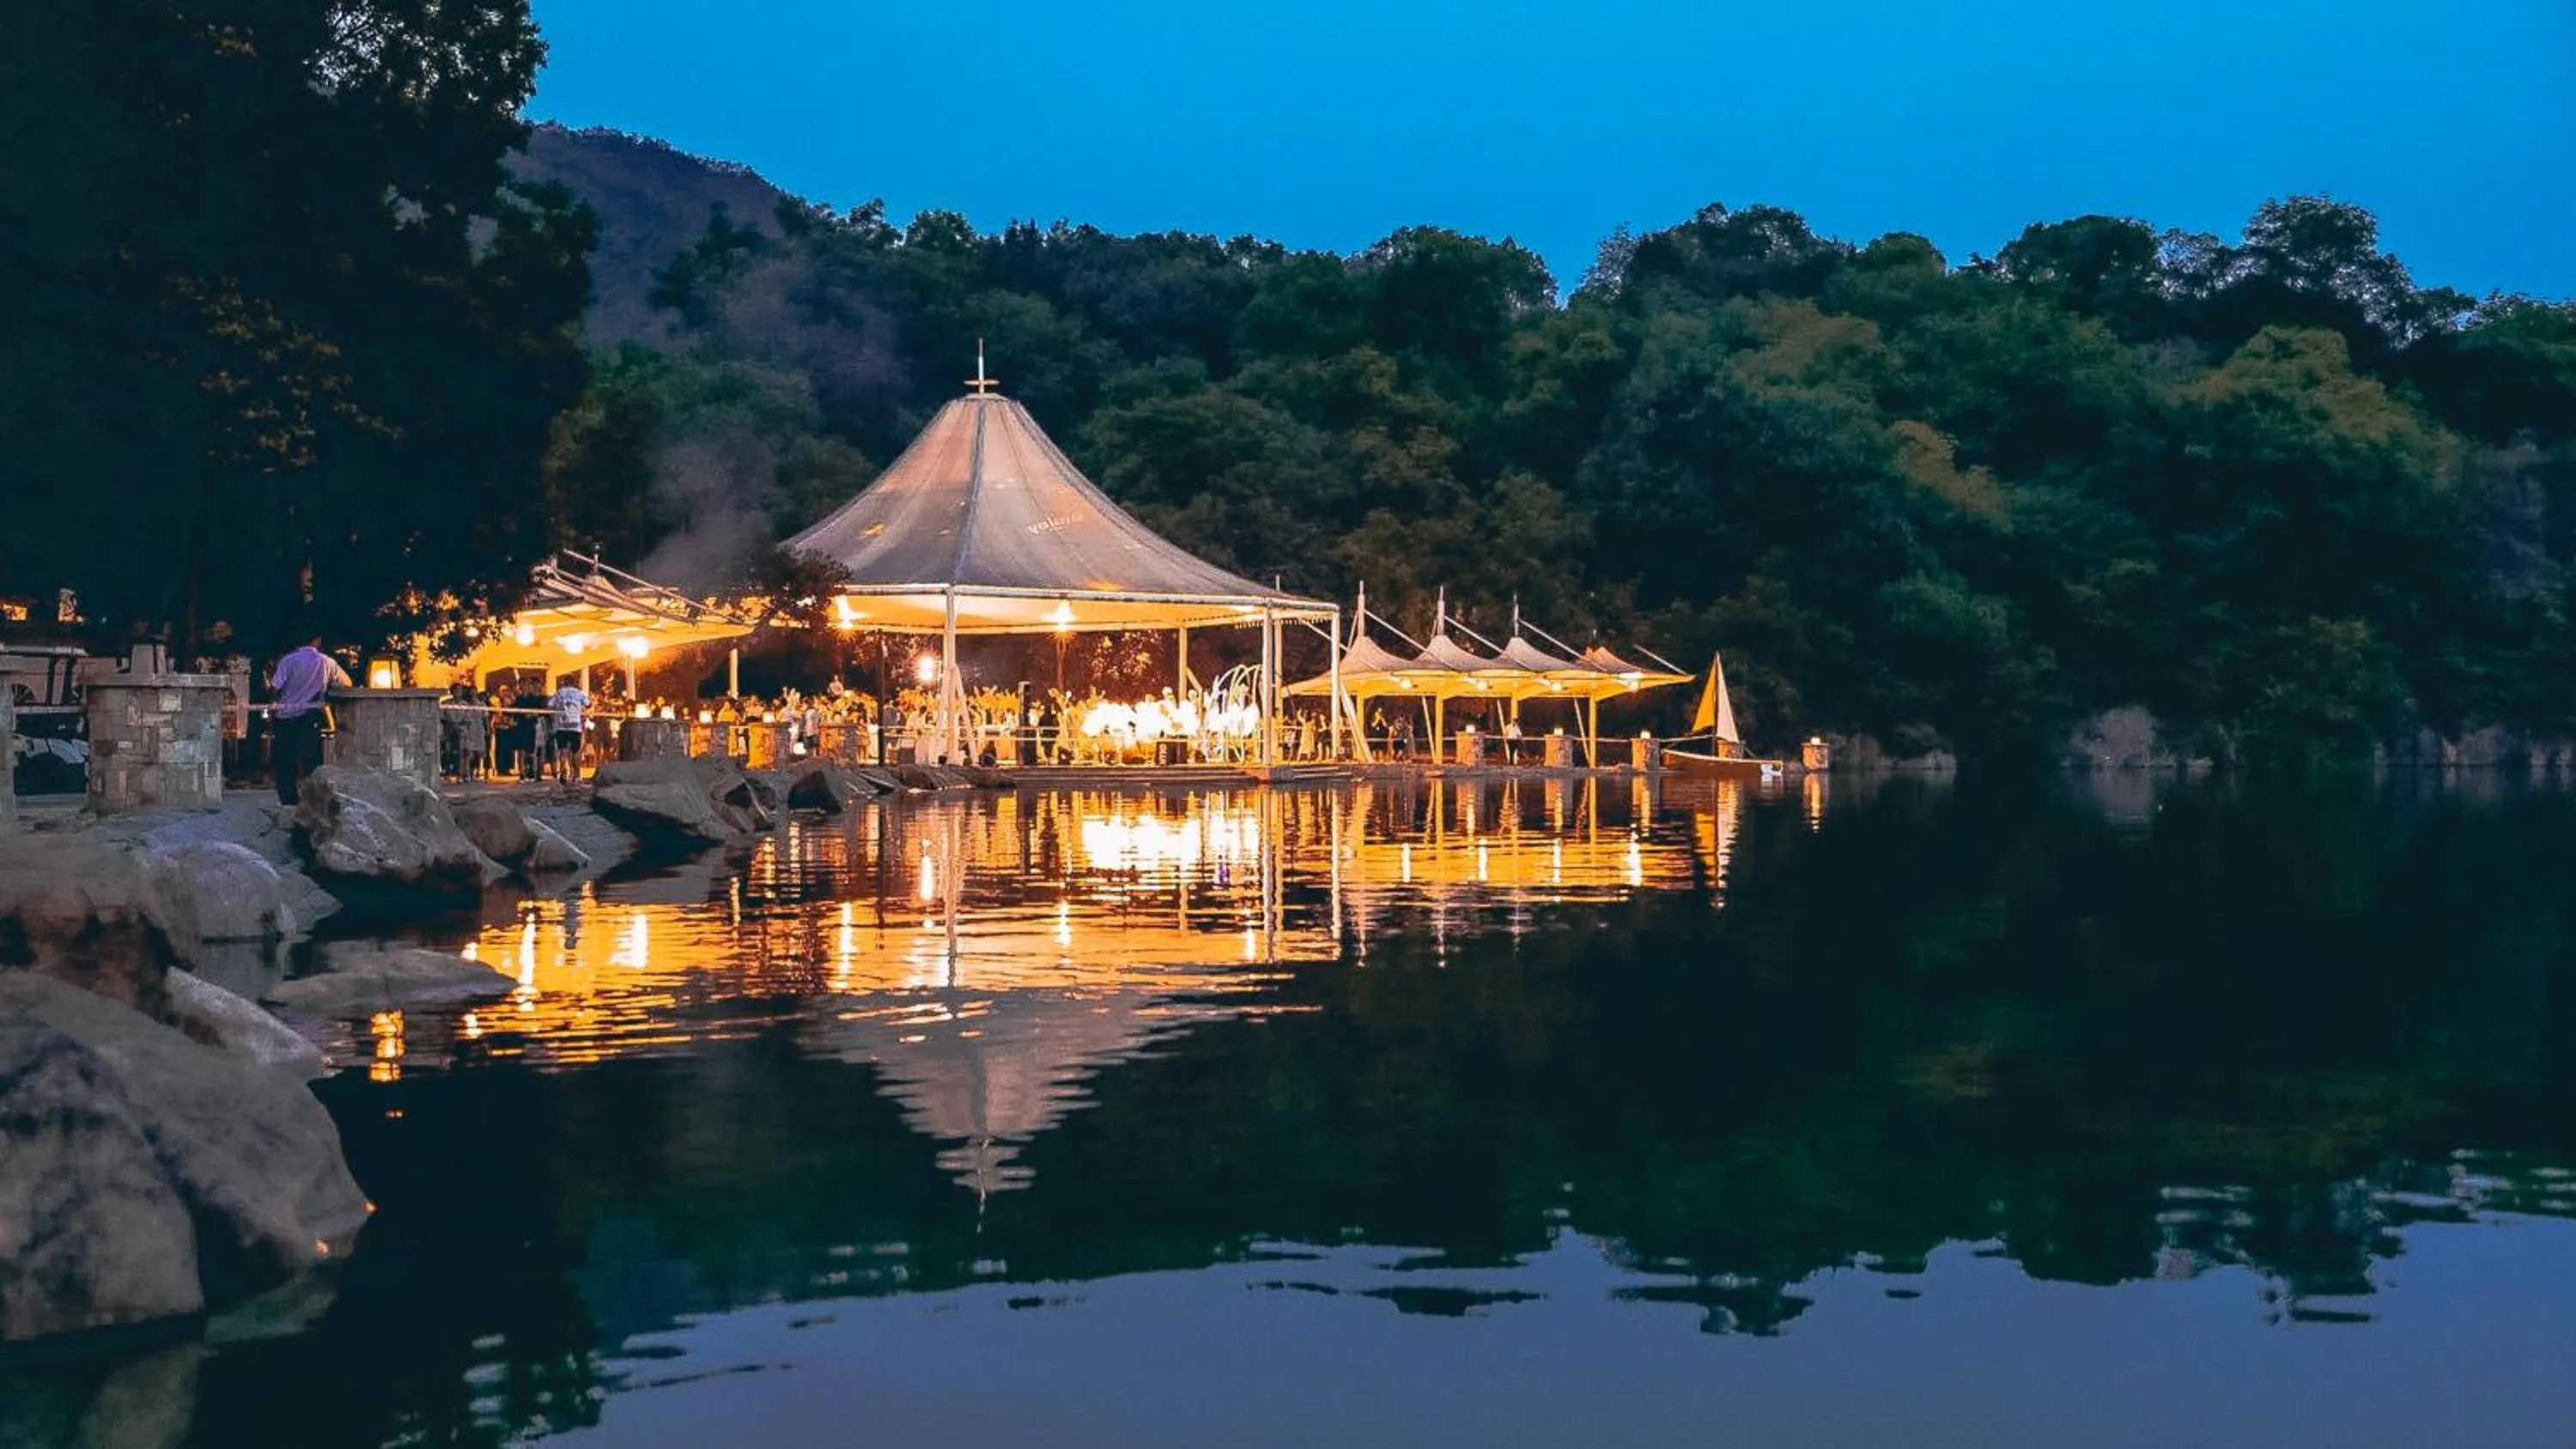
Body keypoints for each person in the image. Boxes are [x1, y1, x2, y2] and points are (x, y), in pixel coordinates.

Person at [267, 636, 350, 805]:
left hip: (285, 717)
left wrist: (273, 706)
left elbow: (275, 688)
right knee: (311, 761)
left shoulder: (288, 661)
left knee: (284, 762)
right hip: (311, 716)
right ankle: (313, 802)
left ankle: (289, 802)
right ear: (318, 641)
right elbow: (347, 683)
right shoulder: (327, 662)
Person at [548, 677, 590, 782]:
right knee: (575, 751)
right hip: (575, 726)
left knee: (563, 750)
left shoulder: (560, 692)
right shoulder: (579, 693)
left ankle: (563, 774)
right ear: (574, 683)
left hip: (562, 725)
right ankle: (576, 775)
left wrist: (559, 709)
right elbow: (589, 704)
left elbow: (550, 705)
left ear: (565, 683)